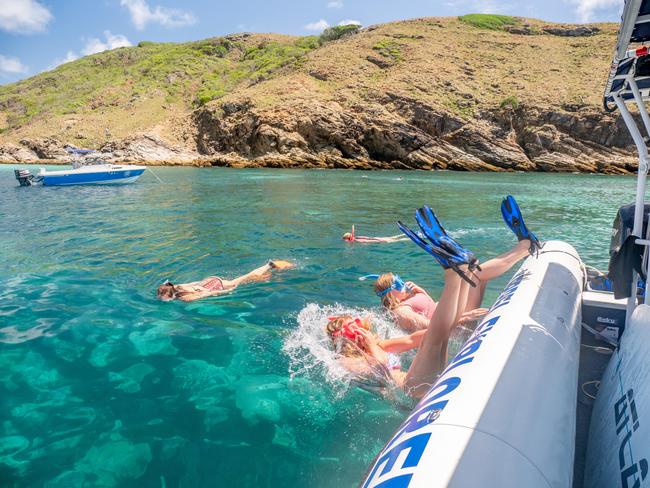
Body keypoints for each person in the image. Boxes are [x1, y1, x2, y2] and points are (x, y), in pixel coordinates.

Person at [327, 197, 540, 398]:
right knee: (437, 337)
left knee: (438, 334)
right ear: (342, 338)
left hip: (422, 377)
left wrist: (451, 318)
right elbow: (381, 366)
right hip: (410, 392)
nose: (360, 330)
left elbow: (413, 339)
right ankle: (456, 271)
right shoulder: (344, 362)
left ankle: (459, 270)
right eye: (353, 329)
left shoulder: (381, 343)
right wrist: (371, 344)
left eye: (358, 325)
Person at [373, 196, 540, 333]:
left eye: (400, 279)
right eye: (397, 283)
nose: (403, 284)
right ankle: (525, 246)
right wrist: (464, 318)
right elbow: (433, 329)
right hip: (457, 328)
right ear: (390, 293)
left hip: (457, 315)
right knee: (474, 274)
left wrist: (422, 293)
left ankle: (524, 247)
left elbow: (434, 310)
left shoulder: (408, 299)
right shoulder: (401, 311)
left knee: (474, 273)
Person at [157, 260, 294, 302]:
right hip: (209, 280)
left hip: (214, 285)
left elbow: (206, 294)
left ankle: (269, 265)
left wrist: (227, 291)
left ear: (169, 295)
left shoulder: (185, 298)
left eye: (162, 297)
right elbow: (194, 284)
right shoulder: (177, 286)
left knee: (243, 279)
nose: (160, 298)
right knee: (245, 279)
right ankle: (266, 274)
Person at [342, 224, 409, 243]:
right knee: (392, 237)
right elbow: (353, 234)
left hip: (375, 240)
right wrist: (353, 227)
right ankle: (405, 234)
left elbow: (352, 235)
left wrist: (353, 228)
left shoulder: (353, 239)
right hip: (374, 238)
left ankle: (409, 238)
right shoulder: (354, 238)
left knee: (393, 240)